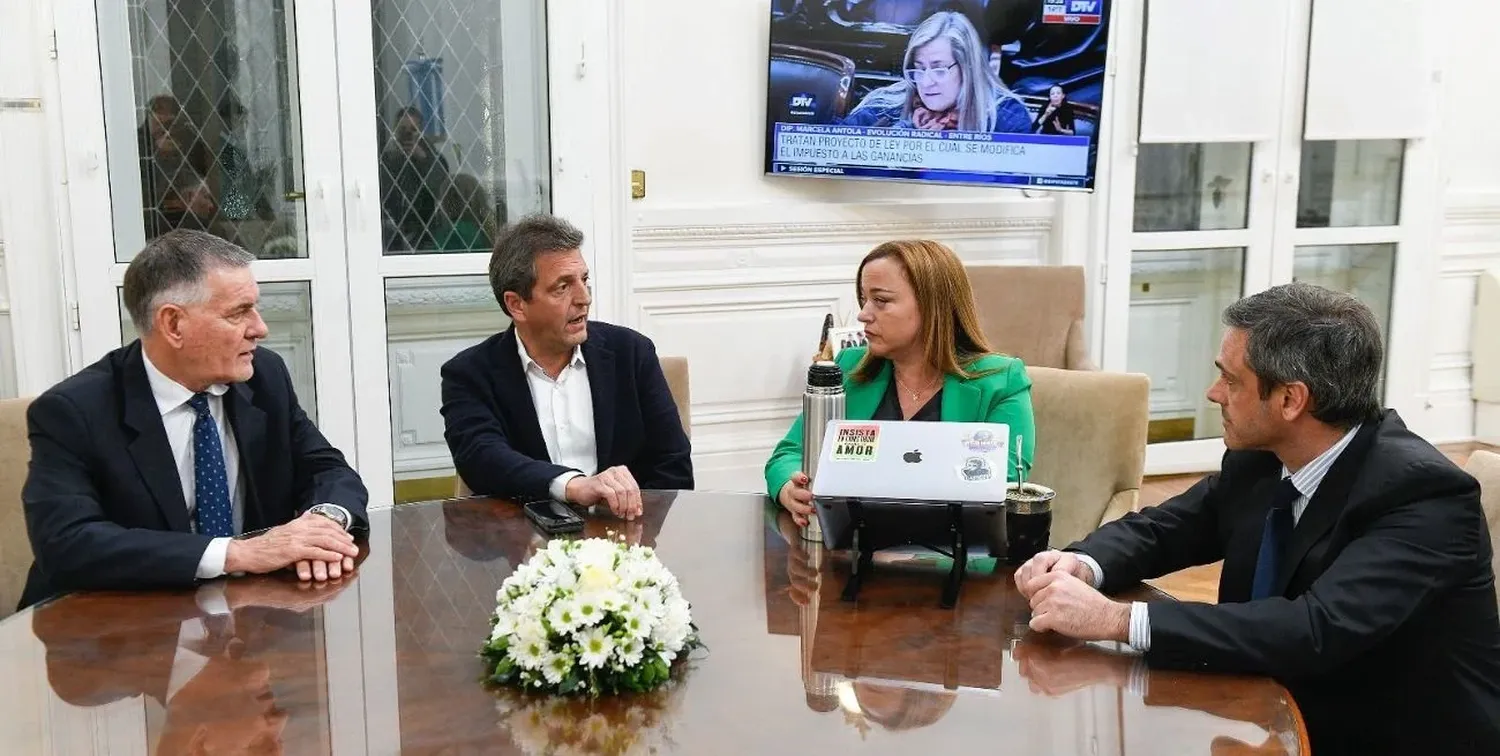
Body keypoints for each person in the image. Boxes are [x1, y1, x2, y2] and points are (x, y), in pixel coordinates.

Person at [1013, 282, 1500, 753]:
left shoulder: (1422, 495)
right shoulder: (1263, 458)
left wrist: (1116, 619)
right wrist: (1079, 564)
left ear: (1291, 400)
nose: (1212, 392)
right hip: (1259, 716)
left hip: (1377, 736)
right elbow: (1168, 528)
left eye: (1230, 380)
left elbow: (1315, 629)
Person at [18, 230, 367, 611]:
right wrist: (236, 554)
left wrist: (323, 525)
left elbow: (328, 470)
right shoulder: (74, 411)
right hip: (110, 628)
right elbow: (67, 543)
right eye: (239, 312)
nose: (259, 328)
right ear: (173, 325)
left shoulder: (264, 377)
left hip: (247, 615)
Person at [765, 239, 1036, 526]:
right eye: (864, 299)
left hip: (954, 556)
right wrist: (789, 489)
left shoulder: (1001, 380)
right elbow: (789, 454)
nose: (863, 314)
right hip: (853, 551)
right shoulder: (848, 366)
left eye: (881, 301)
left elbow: (1000, 485)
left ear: (933, 306)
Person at [441, 214, 693, 520]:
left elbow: (672, 465)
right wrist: (571, 485)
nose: (584, 299)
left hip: (625, 542)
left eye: (584, 281)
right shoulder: (469, 374)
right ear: (516, 304)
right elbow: (482, 458)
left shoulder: (631, 353)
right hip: (523, 547)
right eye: (562, 287)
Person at [840, 11, 1033, 133]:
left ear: (968, 68)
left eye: (939, 69)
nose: (925, 82)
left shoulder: (1007, 118)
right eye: (920, 69)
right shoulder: (884, 107)